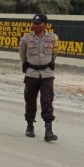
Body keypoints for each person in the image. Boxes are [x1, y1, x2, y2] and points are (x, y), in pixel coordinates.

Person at [19, 13, 59, 142]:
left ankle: (49, 130)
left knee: (47, 101)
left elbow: (54, 53)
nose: (35, 26)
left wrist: (50, 63)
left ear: (45, 25)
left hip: (47, 73)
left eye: (38, 24)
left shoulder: (53, 38)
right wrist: (27, 65)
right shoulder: (26, 39)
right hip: (31, 74)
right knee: (30, 100)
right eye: (34, 24)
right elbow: (22, 55)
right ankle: (30, 125)